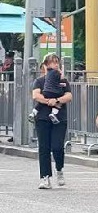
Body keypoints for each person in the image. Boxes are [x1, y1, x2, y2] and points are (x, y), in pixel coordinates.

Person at [31, 53, 72, 189]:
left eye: (56, 63)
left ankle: (59, 169)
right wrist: (49, 101)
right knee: (44, 148)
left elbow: (68, 95)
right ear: (45, 66)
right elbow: (36, 95)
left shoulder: (63, 81)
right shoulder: (40, 81)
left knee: (57, 146)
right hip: (42, 117)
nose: (54, 65)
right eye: (51, 63)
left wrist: (58, 100)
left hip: (59, 118)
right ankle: (45, 177)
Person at [29, 60, 67, 124]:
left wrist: (47, 100)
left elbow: (36, 96)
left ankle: (34, 112)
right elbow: (62, 80)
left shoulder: (46, 76)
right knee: (60, 98)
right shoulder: (57, 74)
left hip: (46, 92)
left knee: (40, 103)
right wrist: (55, 101)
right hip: (55, 93)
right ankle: (53, 113)